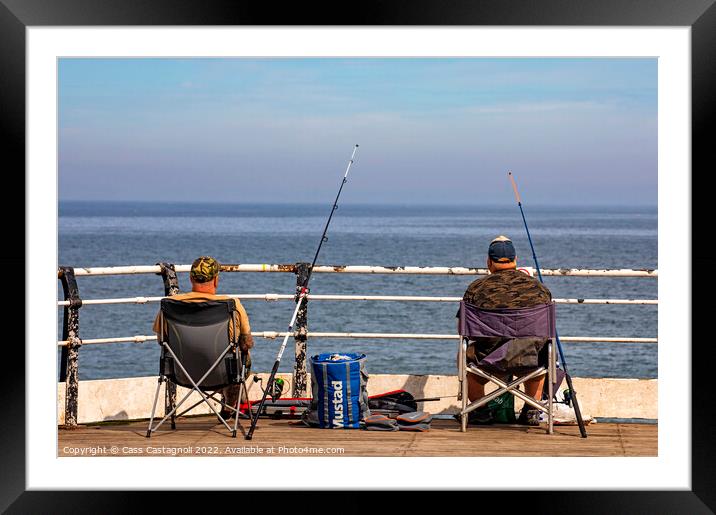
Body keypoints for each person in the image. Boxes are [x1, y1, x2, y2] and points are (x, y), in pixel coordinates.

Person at [458, 235, 552, 425]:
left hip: (489, 358)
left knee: (464, 354)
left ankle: (480, 410)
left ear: (489, 262)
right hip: (530, 356)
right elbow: (547, 329)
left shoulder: (476, 287)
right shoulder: (539, 288)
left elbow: (464, 329)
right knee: (543, 355)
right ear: (515, 260)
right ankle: (531, 410)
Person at [153, 256, 254, 419]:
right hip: (222, 375)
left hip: (181, 374)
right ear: (216, 280)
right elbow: (247, 343)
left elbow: (162, 341)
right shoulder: (232, 305)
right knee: (243, 360)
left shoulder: (169, 304)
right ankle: (228, 409)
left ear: (191, 278)